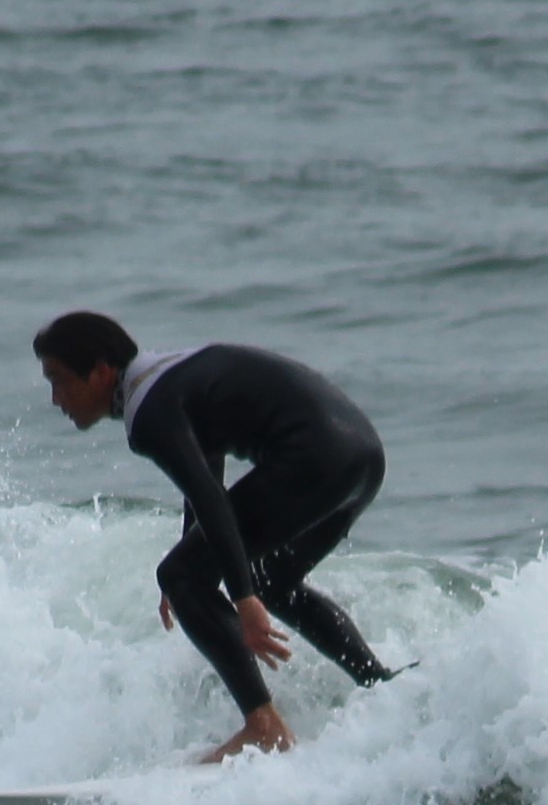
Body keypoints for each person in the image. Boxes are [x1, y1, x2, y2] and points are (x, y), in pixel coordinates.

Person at [32, 311, 395, 757]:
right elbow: (206, 471)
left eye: (59, 380)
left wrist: (238, 597)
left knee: (191, 576)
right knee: (267, 581)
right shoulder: (170, 375)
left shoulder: (148, 410)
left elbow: (209, 496)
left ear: (102, 371)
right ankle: (384, 688)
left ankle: (264, 726)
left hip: (315, 459)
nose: (55, 398)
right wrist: (196, 559)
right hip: (362, 459)